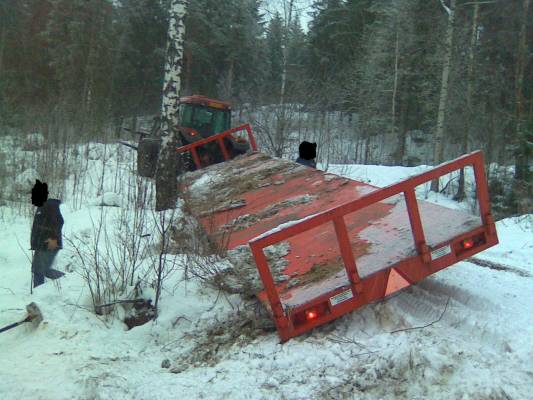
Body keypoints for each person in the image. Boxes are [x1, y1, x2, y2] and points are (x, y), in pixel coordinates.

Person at [30, 179, 65, 288]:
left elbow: (59, 221)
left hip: (49, 244)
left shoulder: (50, 205)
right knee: (37, 269)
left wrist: (53, 239)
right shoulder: (42, 206)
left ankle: (67, 281)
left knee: (40, 270)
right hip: (41, 244)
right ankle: (38, 293)